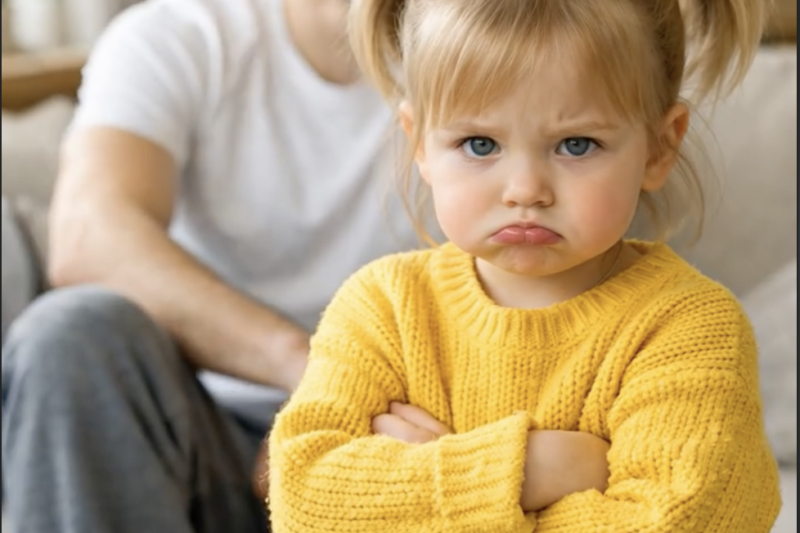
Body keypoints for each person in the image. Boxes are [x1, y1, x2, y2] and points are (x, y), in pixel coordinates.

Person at [267, 0, 783, 531]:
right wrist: (534, 468)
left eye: (576, 145)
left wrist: (429, 486)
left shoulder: (690, 327)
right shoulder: (382, 306)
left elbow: (681, 521)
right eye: (480, 143)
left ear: (658, 147)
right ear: (419, 143)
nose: (525, 191)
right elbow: (304, 501)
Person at [0, 0, 433, 531]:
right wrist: (318, 377)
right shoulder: (181, 36)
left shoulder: (497, 44)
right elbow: (89, 236)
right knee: (69, 334)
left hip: (405, 430)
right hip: (209, 427)